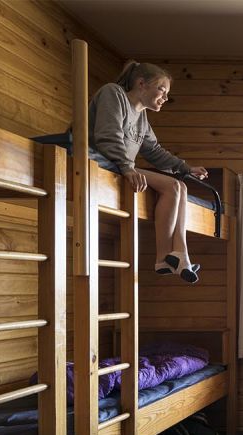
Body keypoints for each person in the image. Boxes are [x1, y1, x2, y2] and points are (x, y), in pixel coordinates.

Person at [89, 60, 208, 283]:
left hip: (120, 166)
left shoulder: (142, 118)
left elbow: (154, 151)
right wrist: (127, 168)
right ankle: (168, 257)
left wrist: (185, 168)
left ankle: (174, 255)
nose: (165, 98)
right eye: (162, 90)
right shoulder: (113, 94)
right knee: (173, 186)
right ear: (141, 84)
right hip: (100, 162)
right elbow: (107, 137)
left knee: (179, 186)